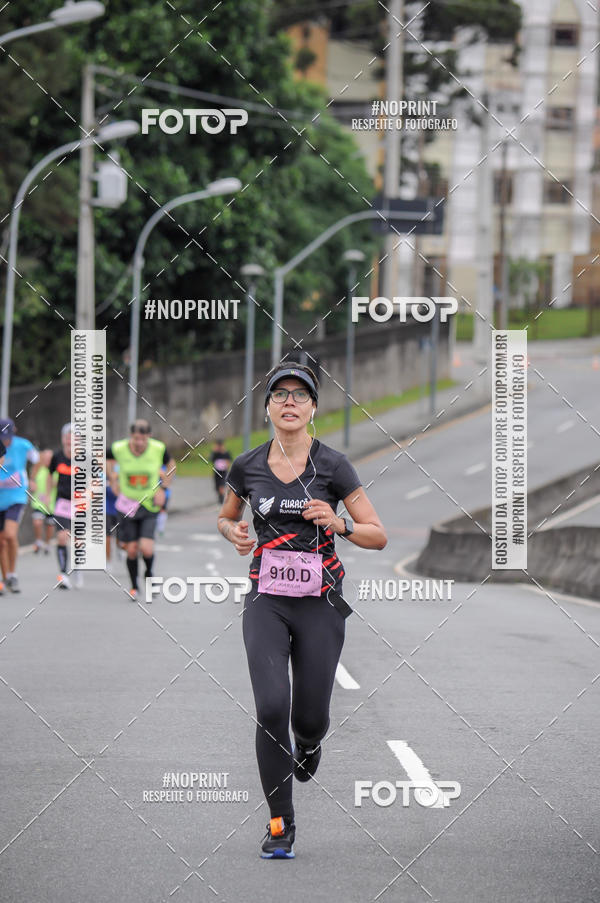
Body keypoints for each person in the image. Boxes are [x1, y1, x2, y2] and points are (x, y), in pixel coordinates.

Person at [217, 363, 387, 859]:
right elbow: (227, 518)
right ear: (268, 406)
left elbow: (377, 533)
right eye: (280, 395)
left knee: (309, 716)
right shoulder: (247, 466)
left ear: (313, 408)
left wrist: (338, 522)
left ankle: (309, 744)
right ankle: (279, 824)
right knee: (272, 707)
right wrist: (236, 535)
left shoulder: (333, 466)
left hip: (320, 603)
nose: (289, 402)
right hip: (266, 602)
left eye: (299, 395)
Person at [107, 419, 175, 600]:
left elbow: (172, 466)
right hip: (127, 505)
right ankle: (134, 586)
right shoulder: (119, 448)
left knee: (146, 549)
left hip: (149, 504)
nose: (139, 443)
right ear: (131, 436)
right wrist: (112, 478)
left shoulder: (158, 449)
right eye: (136, 439)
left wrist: (164, 487)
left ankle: (149, 572)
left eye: (143, 440)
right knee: (131, 549)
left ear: (149, 437)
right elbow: (106, 459)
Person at [0, 417, 40, 594]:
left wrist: (32, 478)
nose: (6, 440)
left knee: (9, 534)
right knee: (1, 540)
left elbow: (39, 458)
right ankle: (6, 577)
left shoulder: (23, 445)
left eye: (8, 436)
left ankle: (13, 573)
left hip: (16, 496)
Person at [49, 423, 82, 590]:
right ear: (63, 438)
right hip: (62, 502)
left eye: (74, 436)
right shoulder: (57, 456)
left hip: (80, 503)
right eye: (67, 436)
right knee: (62, 536)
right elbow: (49, 475)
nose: (70, 439)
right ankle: (63, 573)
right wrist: (46, 495)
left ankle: (78, 565)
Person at [31, 449, 55, 554]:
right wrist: (32, 484)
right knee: (37, 522)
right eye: (45, 458)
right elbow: (31, 480)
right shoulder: (37, 469)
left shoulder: (55, 470)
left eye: (49, 459)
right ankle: (38, 540)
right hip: (38, 502)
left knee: (50, 525)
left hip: (51, 503)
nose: (47, 460)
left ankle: (47, 543)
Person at [210, 438, 232, 503]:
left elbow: (229, 461)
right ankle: (220, 496)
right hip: (216, 471)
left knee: (222, 485)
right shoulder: (215, 453)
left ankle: (222, 499)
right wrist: (214, 451)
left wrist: (226, 466)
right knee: (217, 486)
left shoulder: (226, 453)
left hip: (223, 472)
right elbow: (211, 459)